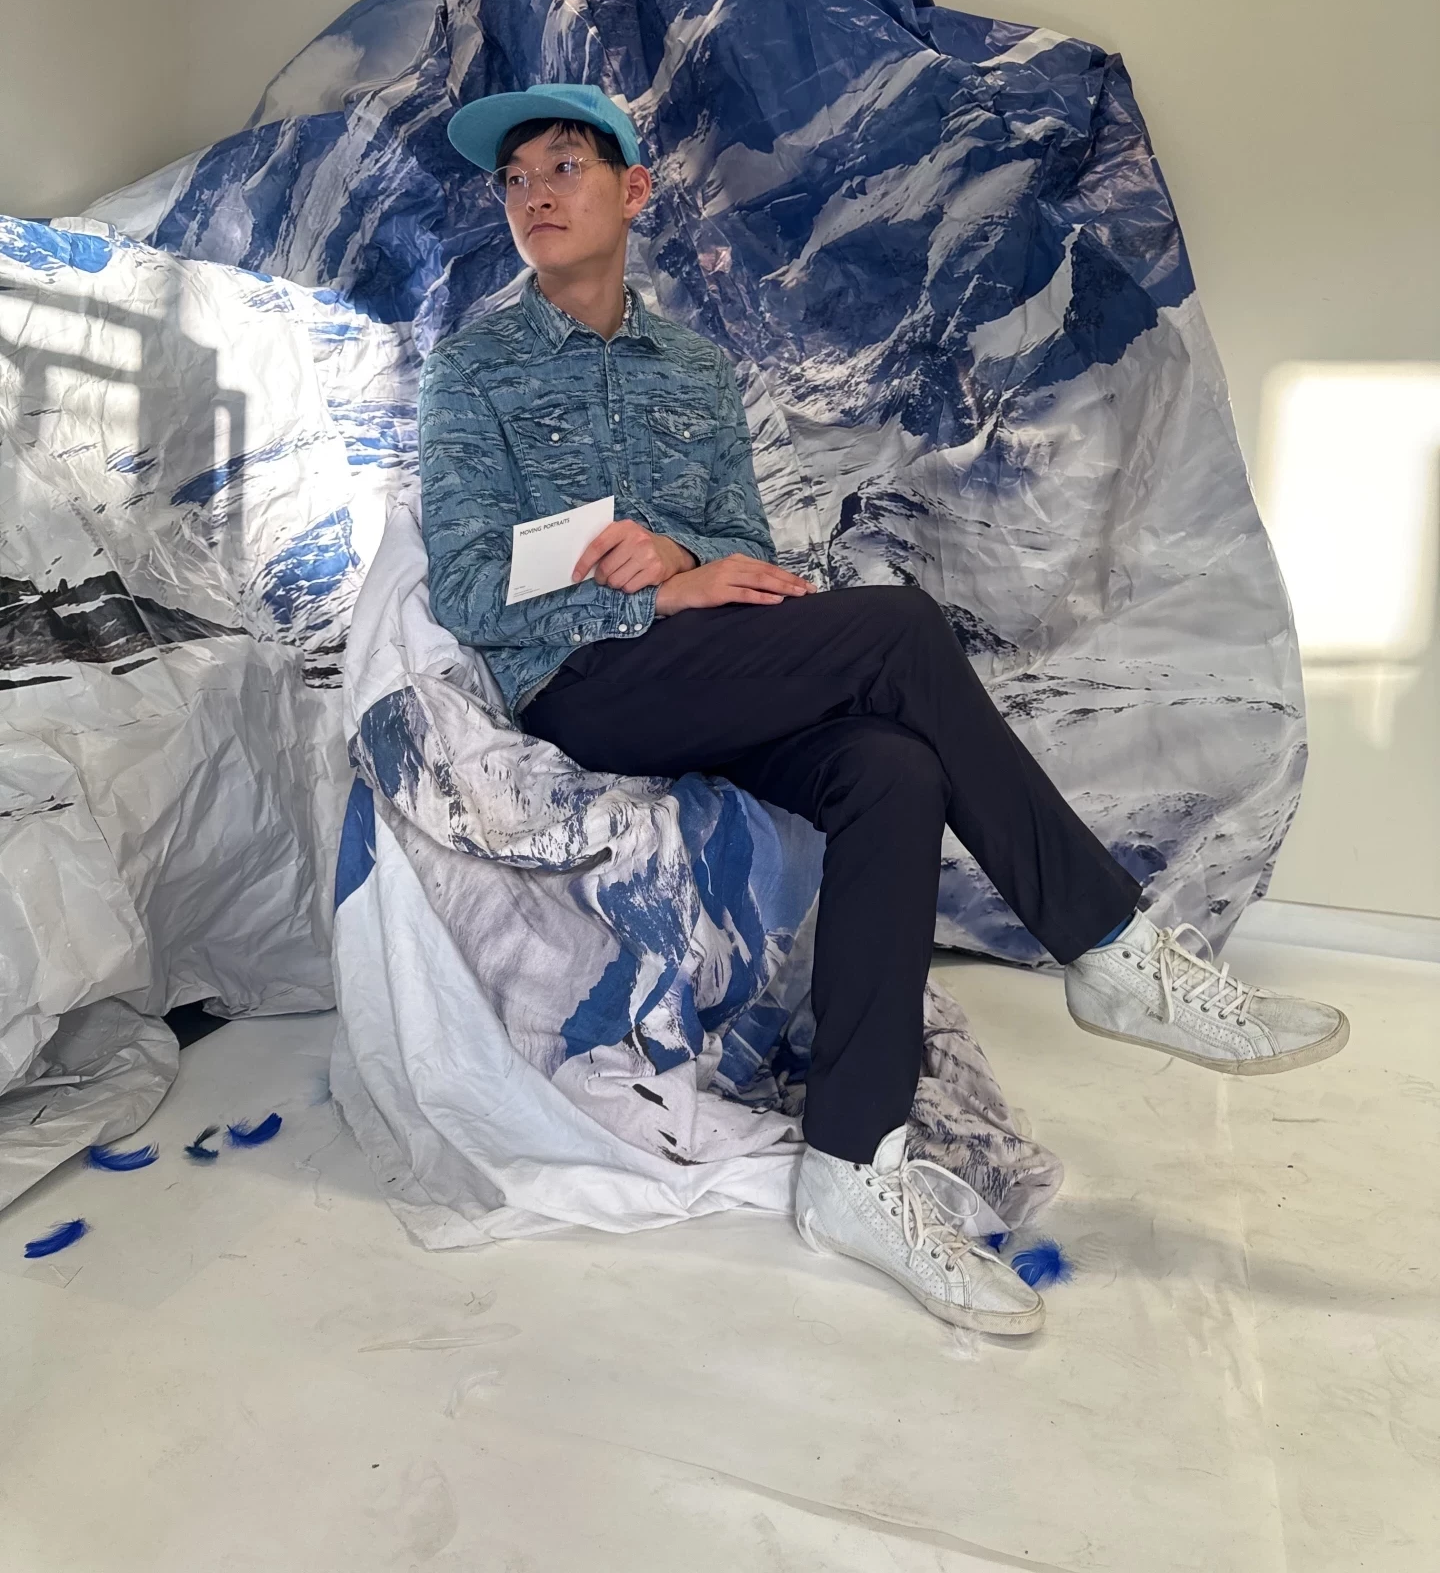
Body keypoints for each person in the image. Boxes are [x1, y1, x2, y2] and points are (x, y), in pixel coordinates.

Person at [419, 83, 1349, 1337]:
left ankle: (854, 1166)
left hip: (702, 668)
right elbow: (467, 583)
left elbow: (741, 551)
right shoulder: (473, 370)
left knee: (892, 773)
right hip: (579, 684)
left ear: (632, 191)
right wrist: (645, 595)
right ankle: (1114, 949)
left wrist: (691, 564)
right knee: (902, 629)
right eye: (514, 176)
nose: (533, 191)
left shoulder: (694, 370)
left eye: (564, 165)